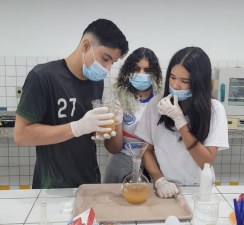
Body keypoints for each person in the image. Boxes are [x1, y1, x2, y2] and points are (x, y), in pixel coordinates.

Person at [13, 19, 129, 189]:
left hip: (89, 183)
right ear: (86, 45)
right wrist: (77, 127)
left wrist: (112, 124)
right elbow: (21, 135)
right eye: (105, 58)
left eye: (113, 62)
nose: (107, 68)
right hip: (52, 185)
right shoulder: (42, 77)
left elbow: (96, 135)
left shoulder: (96, 82)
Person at [134, 47, 229, 198]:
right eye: (172, 77)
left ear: (199, 83)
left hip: (199, 189)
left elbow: (206, 162)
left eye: (185, 81)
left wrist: (181, 122)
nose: (175, 85)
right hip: (164, 188)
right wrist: (159, 180)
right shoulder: (156, 104)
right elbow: (145, 149)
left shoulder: (215, 110)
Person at [104, 47, 163, 183]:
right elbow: (113, 148)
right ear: (128, 71)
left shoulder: (161, 100)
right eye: (137, 69)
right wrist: (117, 123)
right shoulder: (117, 99)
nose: (141, 74)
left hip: (154, 164)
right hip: (121, 163)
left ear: (154, 74)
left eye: (147, 70)